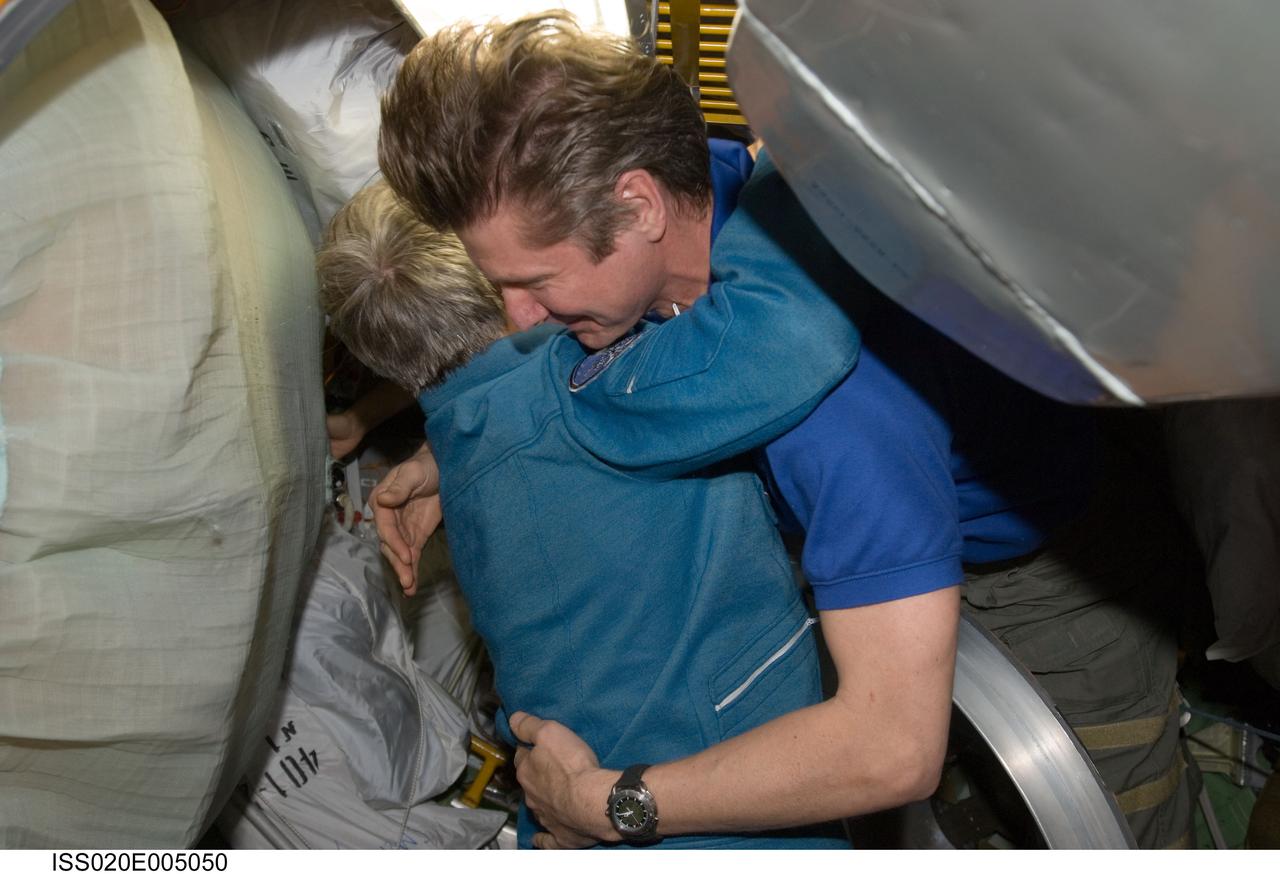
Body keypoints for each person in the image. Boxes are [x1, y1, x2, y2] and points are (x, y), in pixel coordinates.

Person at [375, 13, 1194, 849]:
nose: (518, 317)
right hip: (902, 532)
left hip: (1047, 579)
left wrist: (608, 803)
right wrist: (441, 453)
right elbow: (608, 370)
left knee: (1112, 829)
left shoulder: (838, 410)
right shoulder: (719, 199)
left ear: (638, 204)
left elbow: (888, 748)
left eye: (536, 283)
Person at [315, 178, 856, 849]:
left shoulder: (462, 447)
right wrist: (782, 165)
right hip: (725, 809)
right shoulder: (601, 391)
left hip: (588, 808)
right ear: (517, 286)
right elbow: (806, 335)